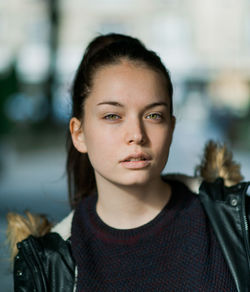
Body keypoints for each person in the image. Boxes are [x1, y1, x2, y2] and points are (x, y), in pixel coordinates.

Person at [7, 33, 250, 291]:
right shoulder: (49, 265)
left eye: (154, 115)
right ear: (79, 134)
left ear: (171, 128)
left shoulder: (236, 221)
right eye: (112, 115)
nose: (136, 134)